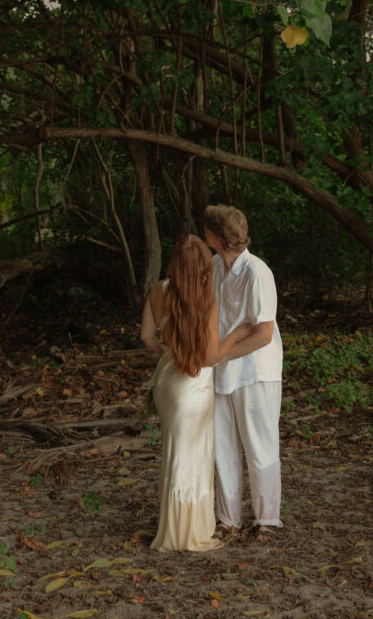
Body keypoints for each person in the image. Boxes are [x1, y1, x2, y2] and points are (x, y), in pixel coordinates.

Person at [140, 234, 253, 552]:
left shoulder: (159, 290)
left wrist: (167, 352)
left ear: (175, 264)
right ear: (204, 268)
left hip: (167, 380)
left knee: (175, 454)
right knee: (193, 458)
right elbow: (212, 357)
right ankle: (188, 533)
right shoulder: (206, 301)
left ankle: (173, 527)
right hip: (194, 384)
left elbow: (147, 336)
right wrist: (237, 334)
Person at [203, 204, 283, 541]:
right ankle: (228, 520)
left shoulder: (257, 272)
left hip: (255, 370)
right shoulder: (215, 266)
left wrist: (221, 354)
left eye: (207, 229)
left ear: (217, 237)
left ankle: (267, 520)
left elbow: (263, 333)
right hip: (221, 371)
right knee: (223, 446)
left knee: (259, 446)